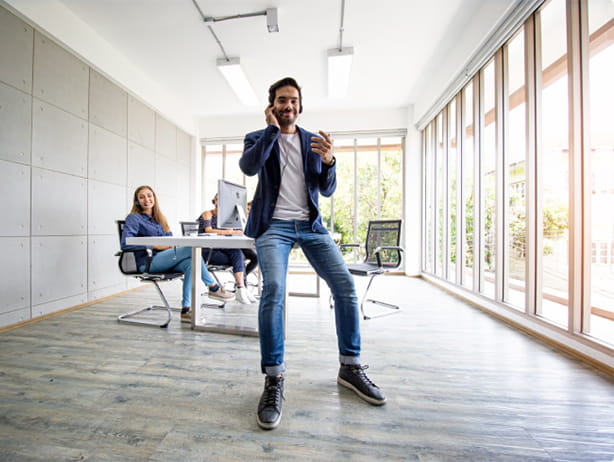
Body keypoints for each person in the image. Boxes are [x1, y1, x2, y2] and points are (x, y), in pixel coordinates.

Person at [239, 77, 386, 430]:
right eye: (280, 101)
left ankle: (350, 366)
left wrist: (330, 161)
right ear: (271, 106)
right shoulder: (258, 138)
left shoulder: (312, 141)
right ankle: (274, 378)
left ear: (300, 106)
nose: (287, 106)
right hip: (272, 226)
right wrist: (272, 132)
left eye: (292, 101)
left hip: (310, 226)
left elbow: (327, 189)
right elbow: (248, 168)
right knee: (274, 290)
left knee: (346, 287)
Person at [121, 185, 234, 322]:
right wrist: (155, 245)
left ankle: (186, 310)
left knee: (190, 263)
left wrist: (171, 245)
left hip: (165, 258)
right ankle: (213, 287)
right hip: (148, 262)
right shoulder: (134, 218)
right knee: (190, 248)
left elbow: (171, 240)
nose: (147, 199)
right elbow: (125, 243)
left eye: (149, 195)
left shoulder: (160, 219)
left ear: (154, 198)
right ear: (137, 201)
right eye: (142, 197)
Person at [197, 194, 257, 304]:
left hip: (220, 249)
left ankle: (241, 288)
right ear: (214, 201)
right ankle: (241, 288)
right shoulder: (208, 214)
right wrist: (230, 231)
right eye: (218, 201)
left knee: (237, 252)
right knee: (239, 257)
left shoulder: (224, 218)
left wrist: (231, 230)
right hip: (207, 252)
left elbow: (228, 233)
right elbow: (208, 230)